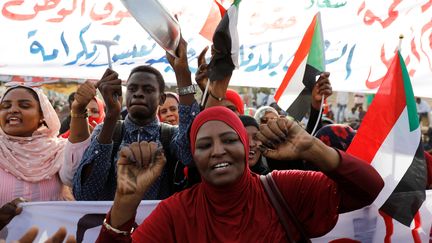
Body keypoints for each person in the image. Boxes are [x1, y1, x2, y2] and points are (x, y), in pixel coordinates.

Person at [96, 106, 384, 242]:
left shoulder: (283, 189)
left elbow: (369, 188)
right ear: (194, 157)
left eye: (230, 140)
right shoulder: (177, 213)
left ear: (246, 146)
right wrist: (126, 200)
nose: (218, 151)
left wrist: (312, 147)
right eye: (205, 145)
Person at [72, 37, 201, 201]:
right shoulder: (107, 131)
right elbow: (84, 194)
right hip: (112, 225)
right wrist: (111, 116)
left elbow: (189, 155)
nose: (139, 93)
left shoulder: (170, 135)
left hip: (159, 225)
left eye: (148, 89)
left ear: (161, 100)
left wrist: (183, 74)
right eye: (133, 88)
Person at [0, 85, 78, 229]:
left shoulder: (59, 150)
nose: (12, 110)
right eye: (5, 106)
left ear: (43, 115)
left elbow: (73, 178)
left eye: (24, 105)